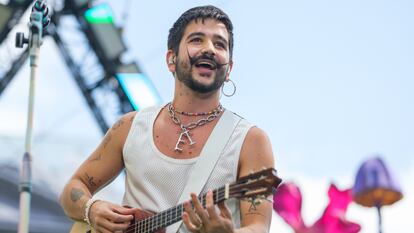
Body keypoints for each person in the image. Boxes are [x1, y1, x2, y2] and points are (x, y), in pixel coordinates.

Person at [60, 5, 275, 233]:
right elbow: (73, 188)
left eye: (220, 44)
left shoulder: (250, 141)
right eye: (196, 40)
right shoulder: (131, 126)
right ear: (171, 59)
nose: (210, 49)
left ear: (229, 68)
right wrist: (91, 209)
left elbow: (258, 227)